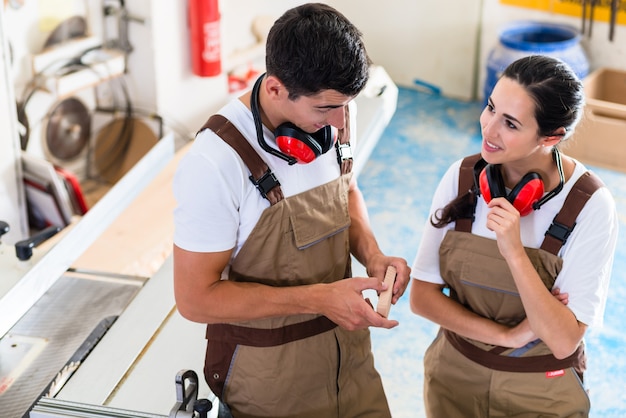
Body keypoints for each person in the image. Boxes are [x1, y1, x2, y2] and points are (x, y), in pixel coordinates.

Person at [172, 3, 410, 417]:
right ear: (276, 89)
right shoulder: (216, 162)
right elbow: (195, 299)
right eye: (325, 109)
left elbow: (345, 188)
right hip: (269, 384)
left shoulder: (335, 112)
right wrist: (320, 299)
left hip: (350, 364)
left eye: (345, 106)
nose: (340, 123)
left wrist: (372, 255)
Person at [409, 55, 618, 417]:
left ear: (551, 137)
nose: (488, 130)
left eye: (510, 123)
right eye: (490, 108)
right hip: (454, 378)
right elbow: (422, 298)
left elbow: (563, 338)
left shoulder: (589, 206)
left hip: (541, 391)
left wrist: (515, 252)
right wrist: (506, 336)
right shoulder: (461, 179)